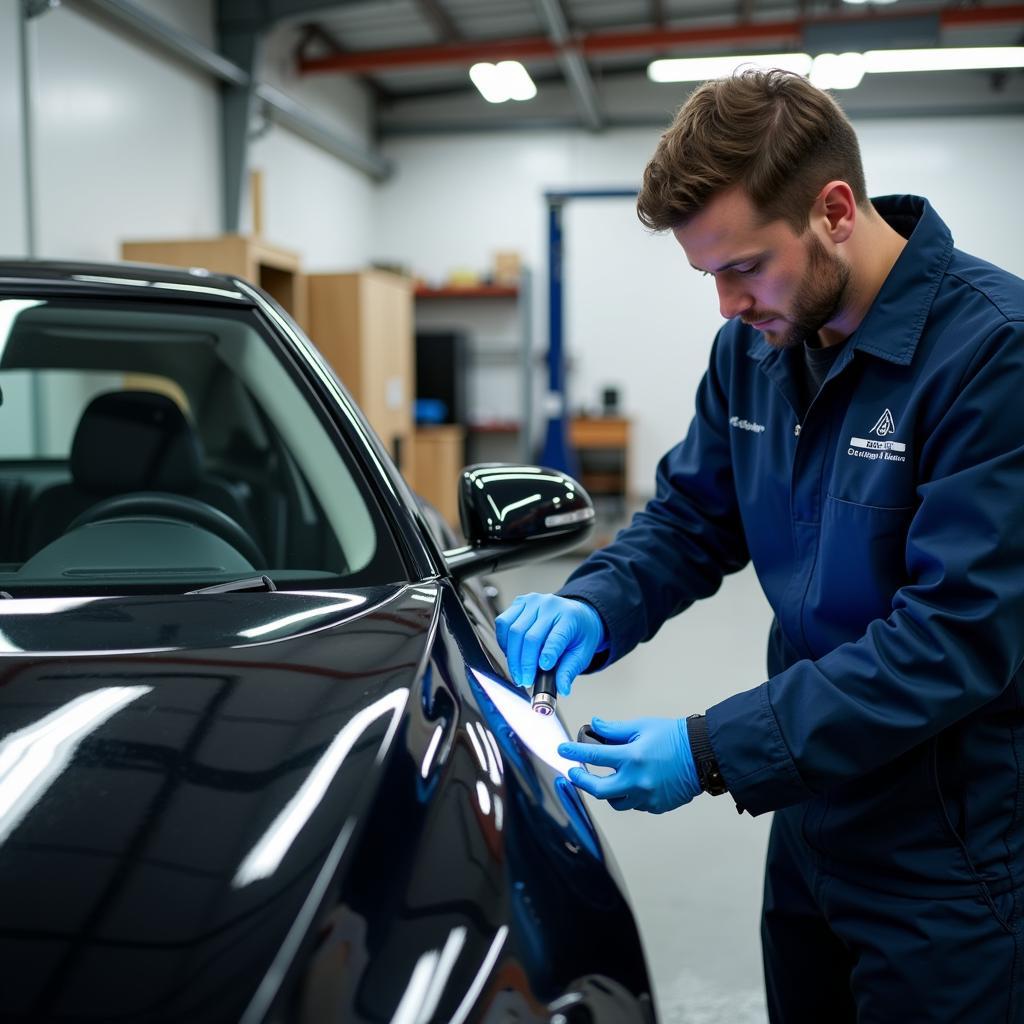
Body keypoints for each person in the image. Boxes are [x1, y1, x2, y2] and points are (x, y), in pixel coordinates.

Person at [495, 69, 1024, 1022]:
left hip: (953, 851)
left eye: (743, 267)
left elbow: (953, 638)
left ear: (832, 211)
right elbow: (693, 518)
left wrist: (709, 751)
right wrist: (594, 600)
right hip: (810, 820)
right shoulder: (755, 350)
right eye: (709, 276)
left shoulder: (993, 356)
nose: (727, 306)